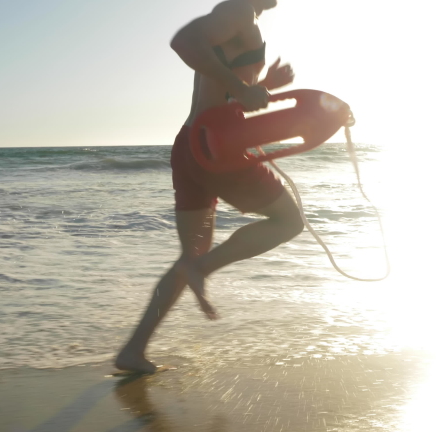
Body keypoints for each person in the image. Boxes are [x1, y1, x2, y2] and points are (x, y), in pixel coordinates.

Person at [115, 0, 302, 373]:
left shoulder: (237, 19)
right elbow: (183, 41)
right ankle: (205, 268)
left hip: (191, 144)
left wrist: (261, 87)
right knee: (288, 222)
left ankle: (132, 351)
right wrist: (242, 86)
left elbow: (224, 97)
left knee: (189, 257)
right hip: (217, 146)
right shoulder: (239, 11)